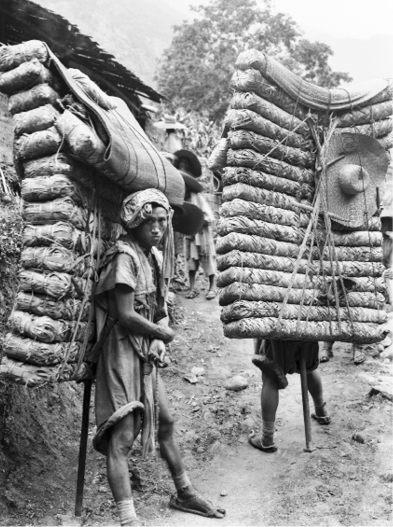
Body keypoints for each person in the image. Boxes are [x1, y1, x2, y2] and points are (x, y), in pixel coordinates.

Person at [93, 189, 225, 526]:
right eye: (149, 221)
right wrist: (161, 333)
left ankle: (184, 491)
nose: (156, 228)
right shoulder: (124, 256)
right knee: (122, 436)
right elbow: (124, 314)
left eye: (162, 221)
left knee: (165, 421)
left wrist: (160, 336)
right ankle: (128, 518)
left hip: (145, 352)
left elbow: (160, 310)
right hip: (120, 351)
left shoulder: (153, 257)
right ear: (134, 221)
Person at [249, 339, 330, 453]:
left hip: (278, 333)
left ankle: (267, 438)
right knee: (308, 368)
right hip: (305, 328)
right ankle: (321, 412)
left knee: (270, 375)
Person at [174, 149, 217, 300]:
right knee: (191, 263)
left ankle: (212, 287)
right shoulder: (179, 199)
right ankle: (192, 288)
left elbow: (209, 217)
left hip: (202, 233)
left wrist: (200, 220)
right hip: (190, 234)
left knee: (207, 259)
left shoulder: (197, 198)